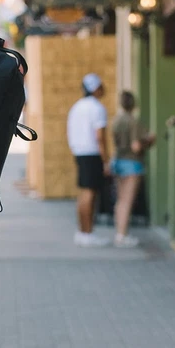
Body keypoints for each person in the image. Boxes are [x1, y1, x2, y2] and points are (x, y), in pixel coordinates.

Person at [66, 73, 110, 247]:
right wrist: (106, 160)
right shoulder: (97, 108)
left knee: (84, 193)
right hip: (92, 153)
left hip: (80, 152)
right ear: (95, 88)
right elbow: (100, 137)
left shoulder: (76, 107)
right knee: (90, 194)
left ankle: (82, 232)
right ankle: (88, 233)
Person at [109, 91, 155, 249]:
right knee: (127, 200)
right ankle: (122, 235)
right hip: (132, 163)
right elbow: (136, 146)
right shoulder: (134, 122)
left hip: (118, 161)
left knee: (120, 199)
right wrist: (149, 140)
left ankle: (119, 232)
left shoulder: (116, 120)